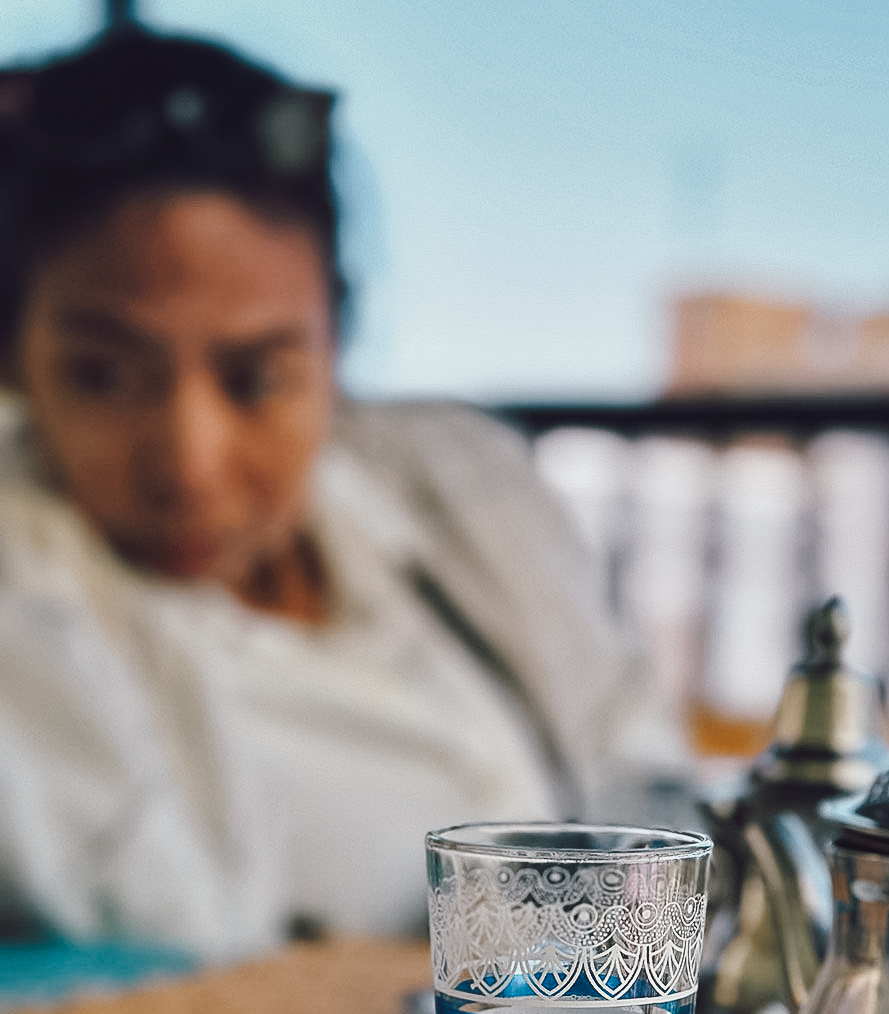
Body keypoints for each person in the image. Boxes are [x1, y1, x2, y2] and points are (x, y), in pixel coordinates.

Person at [0, 26, 675, 962]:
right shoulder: (26, 592)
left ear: (337, 351)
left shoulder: (463, 494)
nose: (189, 465)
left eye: (257, 380)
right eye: (104, 376)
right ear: (18, 369)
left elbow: (645, 787)